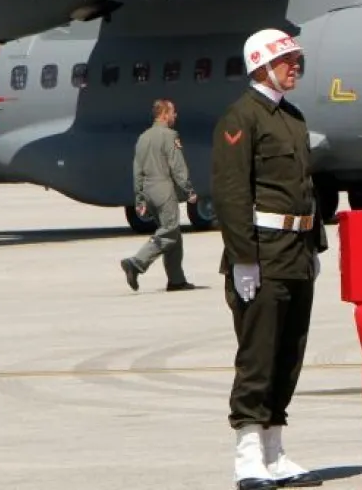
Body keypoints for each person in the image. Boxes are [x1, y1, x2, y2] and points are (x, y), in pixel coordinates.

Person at [212, 28, 325, 490]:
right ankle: (248, 456)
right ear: (260, 65)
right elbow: (231, 193)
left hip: (296, 251)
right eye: (286, 60)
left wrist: (314, 245)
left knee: (289, 354)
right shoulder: (241, 117)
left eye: (296, 60)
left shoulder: (292, 118)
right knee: (258, 356)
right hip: (262, 253)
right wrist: (244, 259)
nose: (295, 67)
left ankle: (275, 453)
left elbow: (305, 186)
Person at [120, 98, 201, 292]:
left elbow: (137, 171)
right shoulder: (170, 136)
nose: (175, 116)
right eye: (173, 112)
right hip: (163, 189)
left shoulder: (143, 137)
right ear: (164, 114)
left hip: (148, 191)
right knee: (169, 231)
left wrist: (139, 198)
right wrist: (188, 190)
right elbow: (177, 166)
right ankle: (137, 262)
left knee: (173, 236)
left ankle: (176, 280)